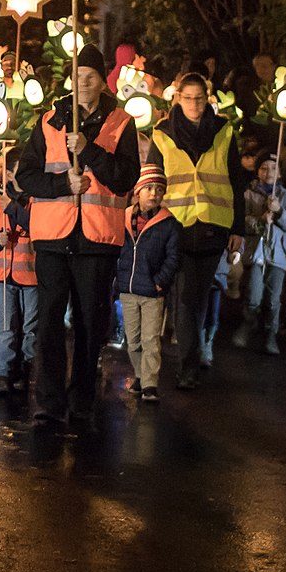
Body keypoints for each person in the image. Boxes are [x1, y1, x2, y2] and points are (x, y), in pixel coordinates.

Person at [17, 43, 140, 431]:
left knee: (91, 324)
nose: (82, 83)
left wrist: (91, 152)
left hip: (97, 241)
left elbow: (125, 178)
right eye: (77, 76)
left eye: (90, 77)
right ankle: (49, 403)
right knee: (50, 323)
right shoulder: (50, 120)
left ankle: (83, 399)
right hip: (54, 237)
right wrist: (59, 183)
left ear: (102, 82)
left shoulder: (121, 122)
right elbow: (26, 175)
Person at [146, 72, 245, 390]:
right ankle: (188, 366)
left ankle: (193, 354)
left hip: (214, 225)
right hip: (177, 226)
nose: (193, 104)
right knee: (186, 297)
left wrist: (238, 228)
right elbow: (152, 178)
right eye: (187, 98)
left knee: (199, 297)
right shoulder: (162, 133)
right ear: (177, 100)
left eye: (199, 98)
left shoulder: (223, 130)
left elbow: (236, 180)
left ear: (208, 98)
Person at [117, 164, 180, 403]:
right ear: (137, 191)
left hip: (152, 292)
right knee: (132, 339)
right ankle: (140, 376)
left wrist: (159, 282)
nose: (154, 193)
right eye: (149, 188)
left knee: (150, 339)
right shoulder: (123, 219)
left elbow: (173, 258)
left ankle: (150, 384)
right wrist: (119, 279)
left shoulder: (168, 224)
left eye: (158, 189)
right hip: (128, 289)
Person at [0, 148, 37, 394]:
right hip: (2, 275)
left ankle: (27, 367)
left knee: (30, 326)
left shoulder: (36, 201)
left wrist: (12, 207)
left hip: (31, 274)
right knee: (4, 324)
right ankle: (2, 372)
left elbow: (35, 226)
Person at [233, 151, 286, 355]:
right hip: (257, 253)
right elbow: (240, 221)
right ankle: (249, 322)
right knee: (253, 295)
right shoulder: (248, 194)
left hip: (278, 255)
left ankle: (271, 333)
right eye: (264, 168)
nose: (269, 172)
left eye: (273, 168)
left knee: (273, 299)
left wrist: (279, 211)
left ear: (280, 173)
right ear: (258, 172)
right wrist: (259, 220)